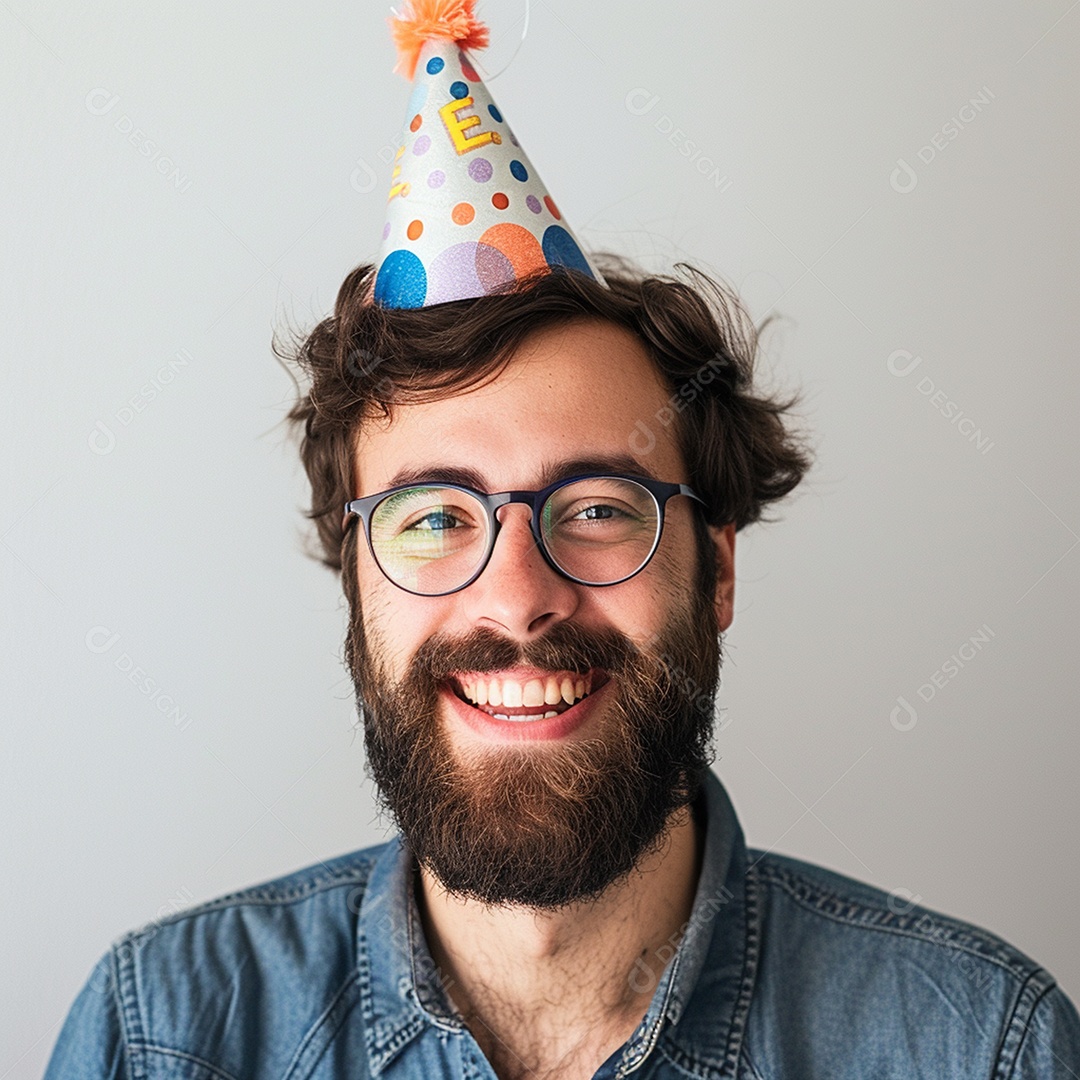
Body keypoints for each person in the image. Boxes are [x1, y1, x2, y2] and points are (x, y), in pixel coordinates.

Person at [45, 3, 1080, 1077]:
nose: (516, 598)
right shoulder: (158, 1037)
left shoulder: (982, 1046)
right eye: (434, 517)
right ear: (356, 585)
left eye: (595, 509)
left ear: (718, 567)